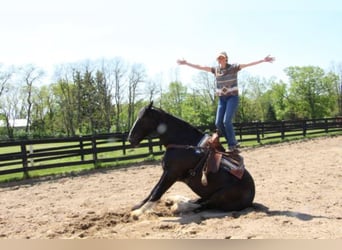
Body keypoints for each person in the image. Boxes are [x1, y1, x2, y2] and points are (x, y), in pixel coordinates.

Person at [177, 52, 275, 153]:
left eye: (222, 58)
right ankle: (232, 143)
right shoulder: (216, 70)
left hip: (232, 97)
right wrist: (186, 63)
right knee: (218, 123)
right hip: (222, 99)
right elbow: (201, 67)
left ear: (226, 59)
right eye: (219, 59)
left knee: (226, 121)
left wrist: (262, 60)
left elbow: (247, 64)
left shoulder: (233, 68)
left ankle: (232, 144)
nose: (220, 60)